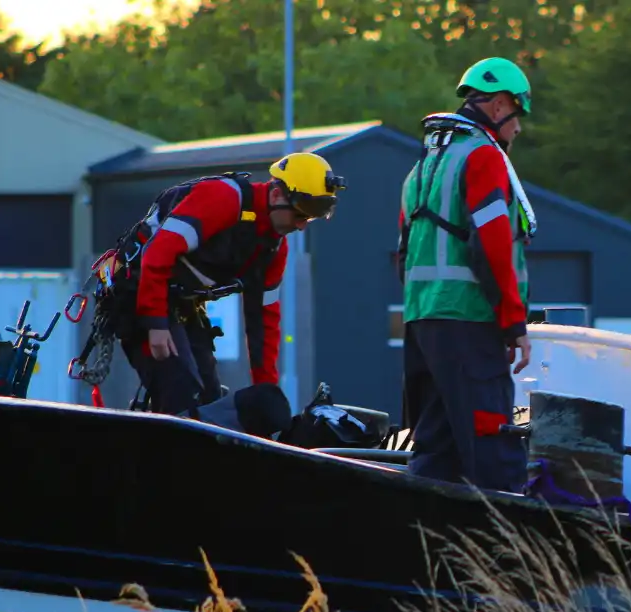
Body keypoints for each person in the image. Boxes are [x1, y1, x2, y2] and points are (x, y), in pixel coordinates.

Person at [100, 152, 345, 418]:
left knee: (209, 399)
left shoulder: (274, 248)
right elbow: (157, 254)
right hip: (140, 294)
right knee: (180, 394)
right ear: (276, 195)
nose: (301, 226)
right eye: (300, 215)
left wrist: (266, 390)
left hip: (183, 305)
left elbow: (263, 321)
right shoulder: (224, 199)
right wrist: (155, 325)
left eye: (309, 219)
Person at [395, 56, 539, 493]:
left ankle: (423, 545)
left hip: (422, 321)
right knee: (492, 445)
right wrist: (513, 322)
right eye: (518, 116)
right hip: (468, 321)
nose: (518, 129)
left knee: (436, 449)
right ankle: (511, 552)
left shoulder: (421, 169)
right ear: (498, 106)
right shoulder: (482, 157)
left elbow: (402, 253)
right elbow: (492, 245)